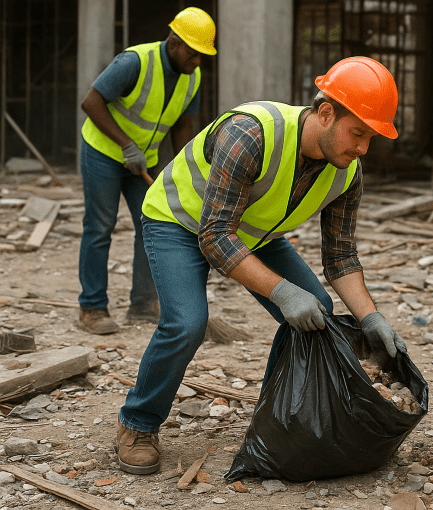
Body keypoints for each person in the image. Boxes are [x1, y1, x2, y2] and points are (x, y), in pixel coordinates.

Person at [114, 56, 408, 475]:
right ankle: (138, 423)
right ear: (326, 113)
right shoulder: (251, 133)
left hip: (252, 234)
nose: (362, 148)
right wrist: (283, 291)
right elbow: (215, 237)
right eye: (356, 132)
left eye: (370, 138)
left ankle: (276, 417)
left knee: (316, 313)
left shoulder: (347, 173)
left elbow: (340, 256)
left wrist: (371, 316)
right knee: (187, 323)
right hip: (180, 221)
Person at [77, 7, 217, 335]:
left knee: (152, 226)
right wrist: (126, 145)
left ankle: (142, 306)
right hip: (104, 152)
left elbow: (183, 125)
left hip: (146, 156)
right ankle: (92, 308)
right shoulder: (134, 62)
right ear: (174, 42)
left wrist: (187, 169)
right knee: (99, 227)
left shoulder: (192, 78)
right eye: (194, 54)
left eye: (202, 56)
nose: (197, 62)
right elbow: (91, 102)